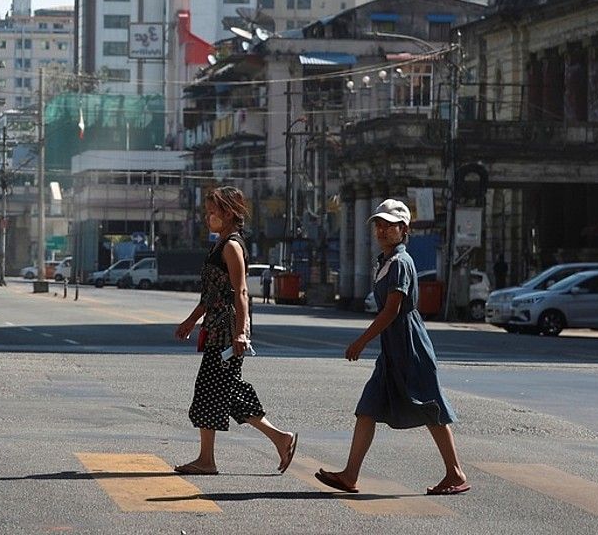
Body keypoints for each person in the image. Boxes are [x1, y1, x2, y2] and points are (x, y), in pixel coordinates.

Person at [315, 198, 469, 496]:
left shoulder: (400, 263)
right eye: (379, 225)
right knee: (368, 408)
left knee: (430, 407)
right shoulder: (386, 261)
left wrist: (361, 341)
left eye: (389, 226)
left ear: (404, 229)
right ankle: (350, 475)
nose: (382, 231)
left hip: (409, 346)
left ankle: (455, 472)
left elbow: (391, 310)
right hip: (392, 348)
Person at [172, 186, 298, 476]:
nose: (208, 217)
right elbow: (211, 295)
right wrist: (191, 321)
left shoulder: (232, 246)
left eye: (213, 212)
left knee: (211, 390)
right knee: (226, 392)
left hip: (227, 332)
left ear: (228, 213)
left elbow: (240, 291)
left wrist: (241, 332)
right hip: (215, 328)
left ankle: (208, 460)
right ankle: (280, 438)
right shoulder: (220, 244)